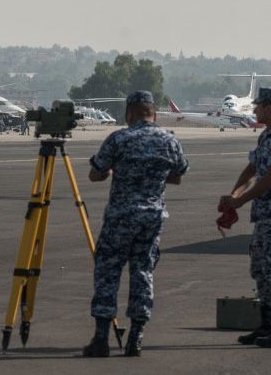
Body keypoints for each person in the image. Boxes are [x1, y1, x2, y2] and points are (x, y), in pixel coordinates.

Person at [83, 91, 189, 357]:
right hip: (152, 218)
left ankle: (101, 338)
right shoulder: (169, 140)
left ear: (130, 113)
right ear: (153, 113)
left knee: (108, 271)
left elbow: (96, 174)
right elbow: (177, 177)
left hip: (121, 215)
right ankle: (136, 338)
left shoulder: (119, 138)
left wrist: (113, 171)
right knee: (143, 272)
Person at [218, 87, 271, 349]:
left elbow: (270, 178)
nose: (254, 110)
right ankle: (267, 324)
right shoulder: (267, 136)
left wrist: (239, 201)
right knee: (261, 268)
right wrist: (234, 194)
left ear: (268, 108)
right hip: (264, 215)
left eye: (258, 106)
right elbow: (253, 167)